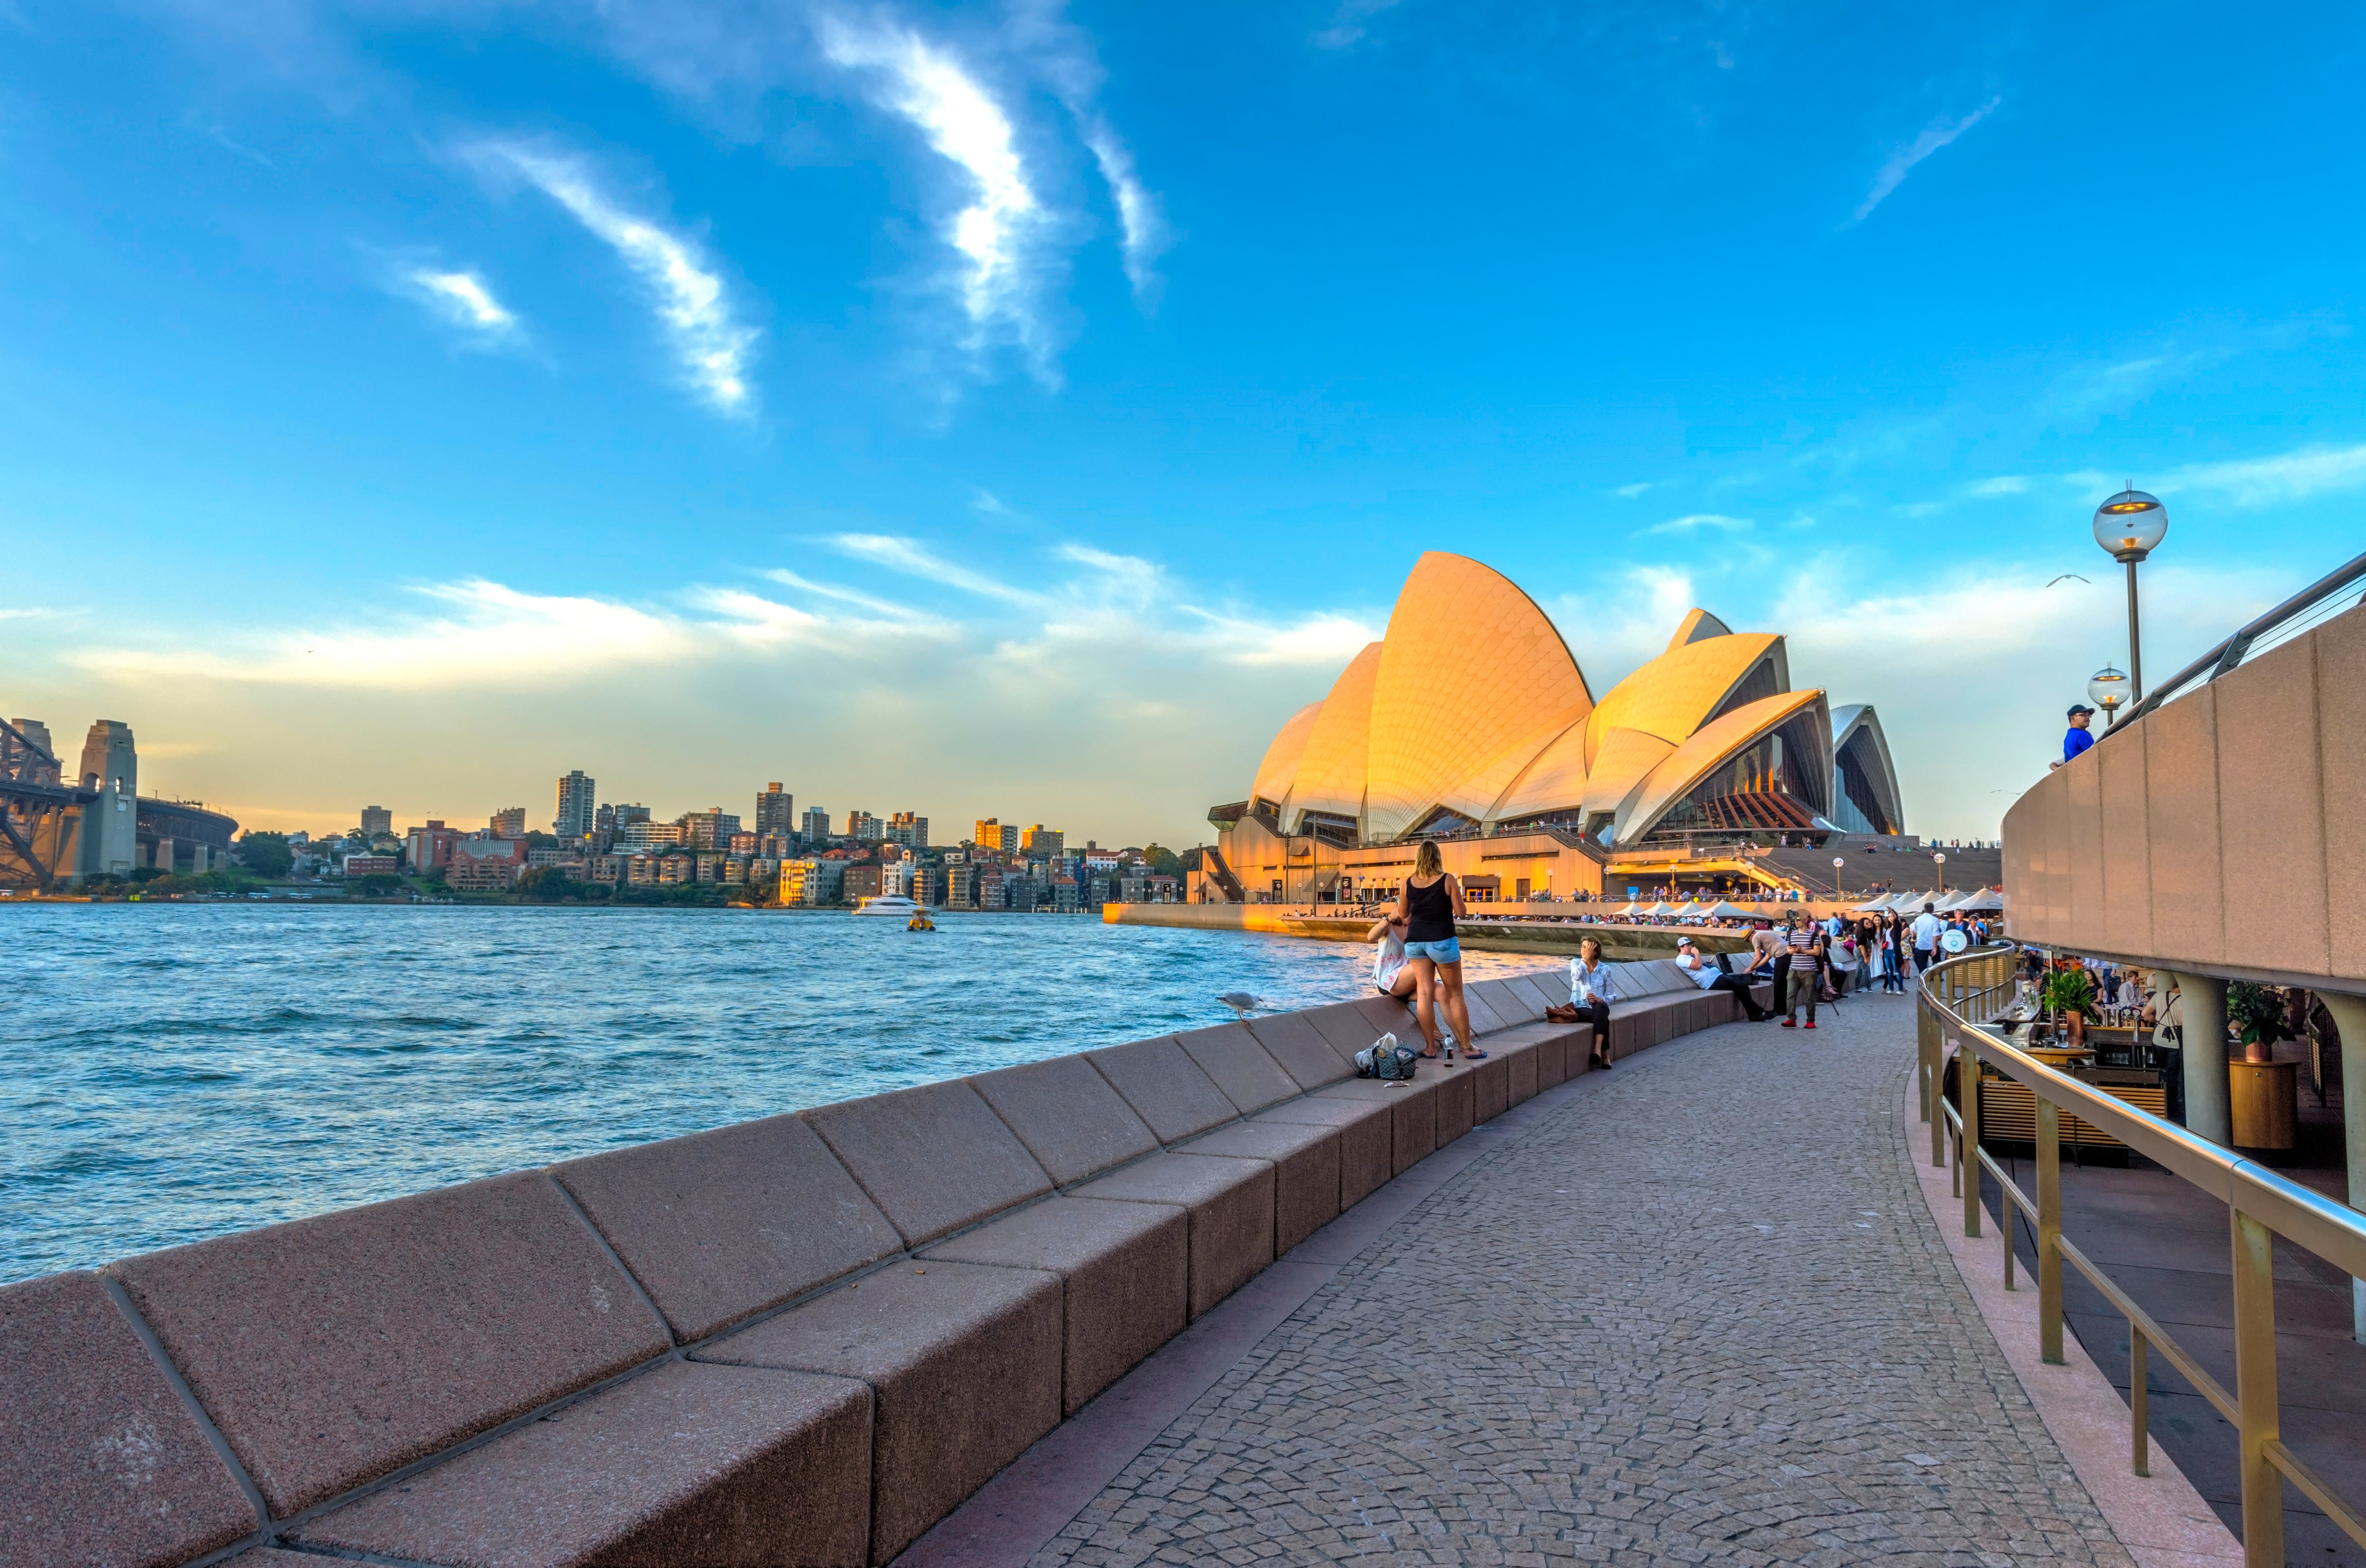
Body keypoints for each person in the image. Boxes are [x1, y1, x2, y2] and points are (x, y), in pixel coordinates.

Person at [1396, 839, 1481, 1060]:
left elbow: (1403, 914)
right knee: (1455, 994)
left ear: (1419, 858)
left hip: (1415, 943)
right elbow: (1462, 912)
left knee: (1424, 992)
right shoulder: (1448, 879)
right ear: (1438, 857)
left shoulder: (1407, 883)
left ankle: (1430, 1048)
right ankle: (1467, 1048)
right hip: (1442, 940)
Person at [1676, 935, 1769, 1021]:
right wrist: (1697, 953)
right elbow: (1698, 966)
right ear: (1681, 948)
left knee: (1743, 986)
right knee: (1739, 987)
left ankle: (1755, 1013)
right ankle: (1758, 1013)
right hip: (1710, 981)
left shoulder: (1688, 957)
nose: (1691, 947)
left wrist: (1707, 964)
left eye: (1690, 944)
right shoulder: (1681, 959)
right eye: (1687, 945)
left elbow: (1700, 965)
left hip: (1717, 976)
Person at [1569, 935, 1619, 1068]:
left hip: (1598, 1008)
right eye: (1583, 947)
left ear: (1595, 951)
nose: (1583, 950)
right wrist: (1585, 960)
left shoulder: (1605, 970)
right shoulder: (1576, 963)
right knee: (1603, 1019)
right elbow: (1576, 976)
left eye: (1587, 948)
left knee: (1601, 1009)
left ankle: (1597, 1051)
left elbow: (1612, 996)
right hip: (1580, 1007)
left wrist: (1599, 999)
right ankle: (1605, 1056)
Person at [1780, 914, 1826, 1029]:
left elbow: (1816, 952)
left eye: (1799, 919)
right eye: (1794, 920)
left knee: (1809, 997)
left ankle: (1811, 1020)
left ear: (1805, 920)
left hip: (1809, 970)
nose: (1796, 922)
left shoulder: (1813, 935)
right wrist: (1793, 950)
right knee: (1790, 995)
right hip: (1794, 970)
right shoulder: (1791, 934)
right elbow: (1788, 950)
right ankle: (1791, 1019)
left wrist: (1801, 950)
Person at [1365, 912, 1419, 1002]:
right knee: (1423, 964)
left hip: (1409, 982)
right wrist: (1390, 918)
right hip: (1388, 980)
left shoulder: (1417, 928)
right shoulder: (1389, 927)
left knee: (1442, 992)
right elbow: (1371, 938)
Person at [2051, 703, 2096, 771]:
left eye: (2089, 715)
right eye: (2083, 715)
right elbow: (2095, 755)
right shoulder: (2082, 734)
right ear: (2073, 718)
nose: (2087, 718)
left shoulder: (2068, 737)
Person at [1910, 900, 1942, 975]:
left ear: (1924, 910)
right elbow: (1935, 934)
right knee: (1936, 965)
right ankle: (1936, 979)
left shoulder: (1917, 919)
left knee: (1922, 968)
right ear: (1933, 910)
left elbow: (1917, 932)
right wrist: (1935, 948)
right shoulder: (1935, 920)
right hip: (1932, 946)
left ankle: (1923, 982)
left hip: (1921, 945)